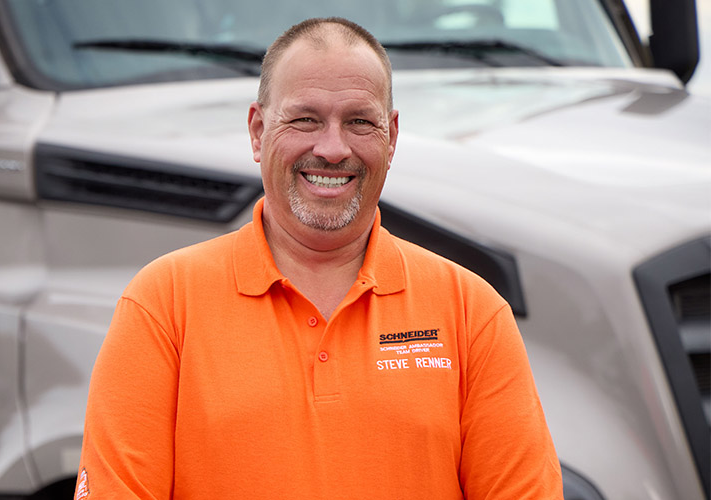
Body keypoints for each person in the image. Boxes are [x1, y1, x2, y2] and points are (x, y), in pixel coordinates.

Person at [74, 17, 563, 499]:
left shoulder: (472, 313)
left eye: (360, 122)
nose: (332, 149)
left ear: (391, 138)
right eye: (305, 119)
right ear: (258, 131)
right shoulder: (163, 304)